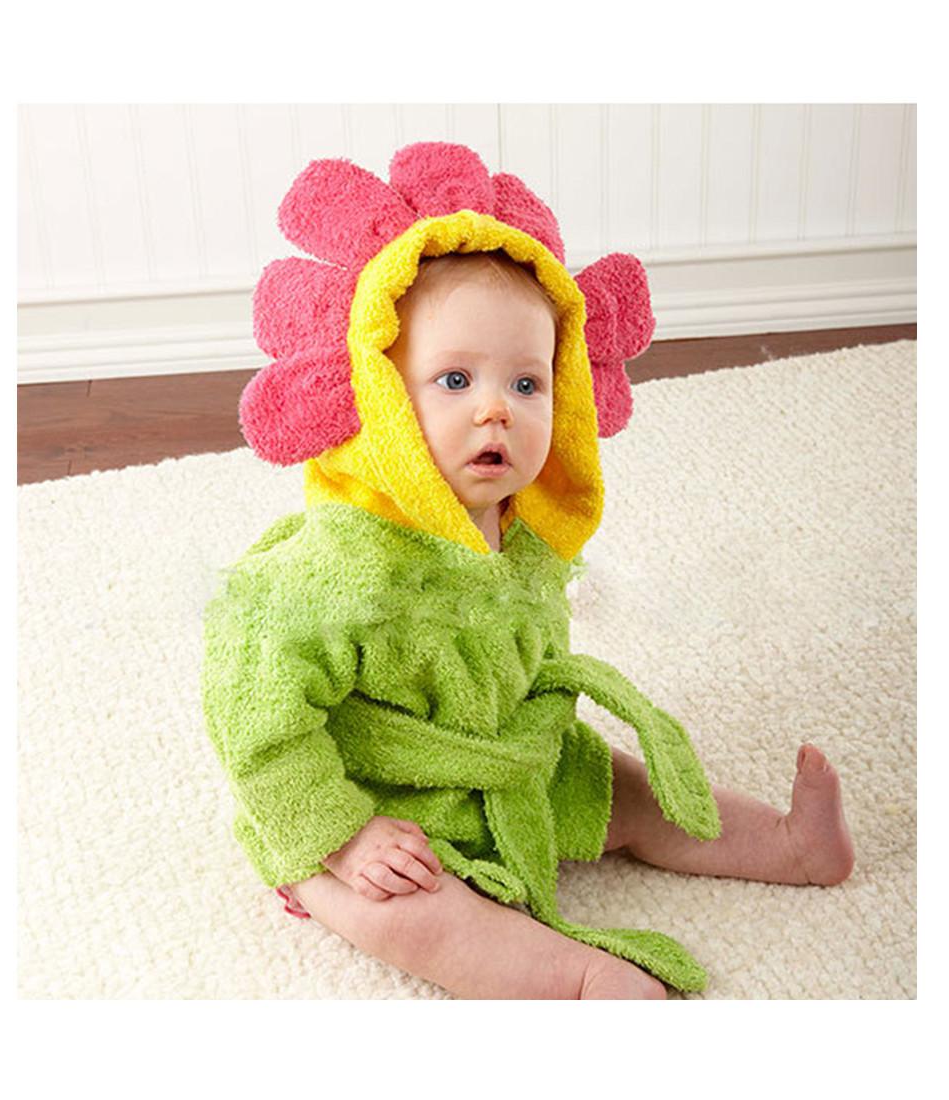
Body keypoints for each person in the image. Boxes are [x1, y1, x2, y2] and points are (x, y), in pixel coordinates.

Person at [202, 142, 854, 1000]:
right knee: (410, 913)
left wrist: (542, 740)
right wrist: (343, 836)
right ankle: (576, 982)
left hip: (507, 763)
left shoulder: (530, 533)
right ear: (384, 397)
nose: (495, 409)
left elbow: (525, 657)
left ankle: (788, 845)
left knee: (630, 789)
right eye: (454, 379)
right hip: (373, 804)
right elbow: (254, 719)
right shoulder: (331, 570)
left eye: (526, 383)